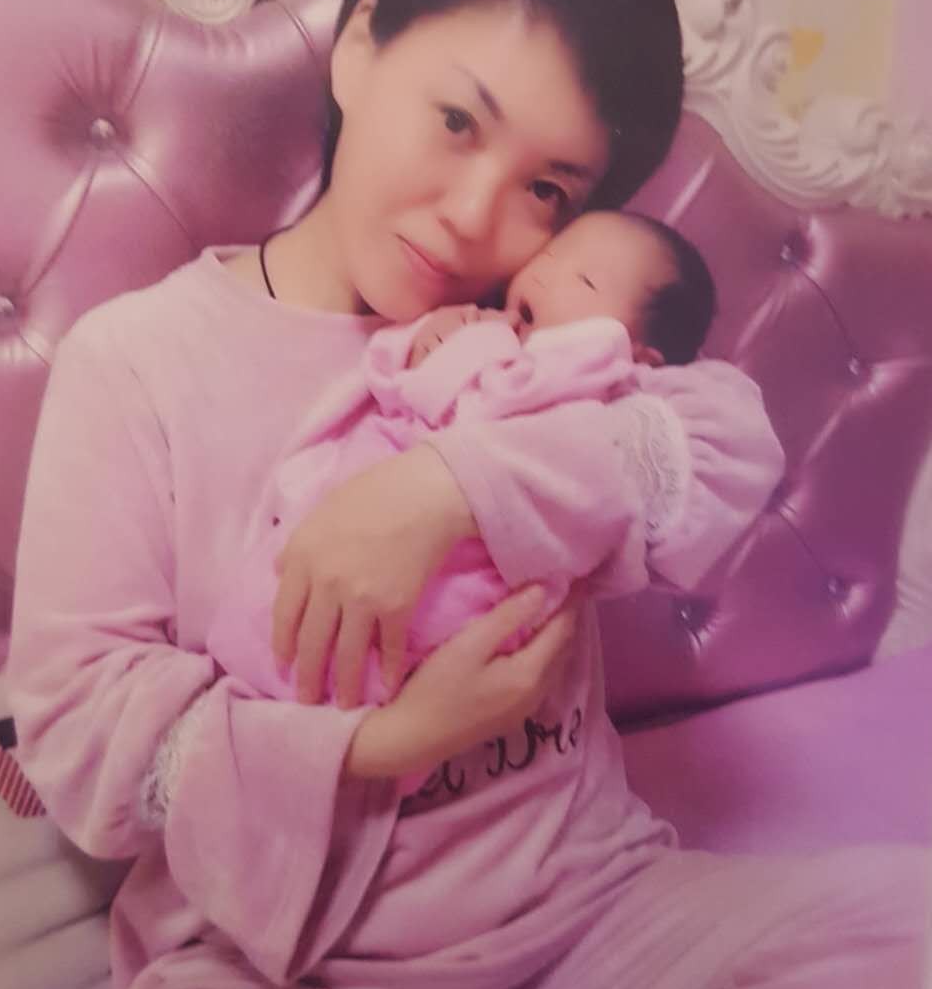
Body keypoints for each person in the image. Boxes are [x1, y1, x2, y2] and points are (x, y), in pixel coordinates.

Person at [0, 0, 926, 989]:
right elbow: (87, 739)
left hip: (585, 920)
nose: (476, 217)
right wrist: (383, 743)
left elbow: (720, 444)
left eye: (548, 190)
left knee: (924, 939)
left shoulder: (545, 337)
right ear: (362, 48)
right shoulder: (141, 361)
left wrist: (446, 489)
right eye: (458, 121)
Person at [208, 210, 721, 723]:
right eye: (550, 256)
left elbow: (497, 409)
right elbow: (391, 386)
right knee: (287, 598)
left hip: (474, 572)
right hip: (363, 512)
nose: (545, 274)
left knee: (386, 642)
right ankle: (271, 684)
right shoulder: (483, 325)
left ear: (639, 355)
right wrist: (422, 345)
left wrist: (473, 352)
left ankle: (318, 704)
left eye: (585, 280)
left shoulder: (593, 384)